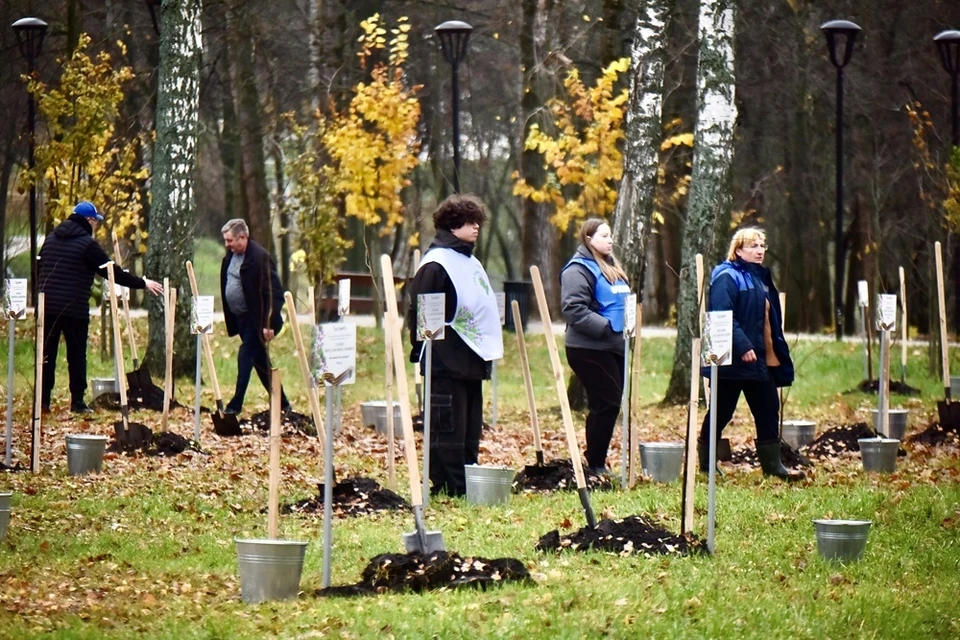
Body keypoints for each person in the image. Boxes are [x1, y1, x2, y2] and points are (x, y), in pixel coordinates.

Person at [407, 194, 503, 497]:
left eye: (478, 222)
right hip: (445, 360)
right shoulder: (436, 264)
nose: (476, 228)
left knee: (470, 425)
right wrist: (421, 348)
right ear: (452, 224)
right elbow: (421, 313)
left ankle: (468, 476)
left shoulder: (469, 261)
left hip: (471, 359)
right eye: (470, 222)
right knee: (448, 424)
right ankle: (450, 484)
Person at [37, 201, 164, 413]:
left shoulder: (50, 238)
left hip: (47, 306)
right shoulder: (87, 245)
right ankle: (77, 402)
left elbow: (39, 265)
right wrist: (142, 283)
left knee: (46, 354)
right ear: (88, 220)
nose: (96, 226)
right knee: (76, 356)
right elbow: (112, 272)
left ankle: (42, 402)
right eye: (95, 222)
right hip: (74, 308)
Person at [699, 227, 803, 481]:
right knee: (722, 412)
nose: (759, 251)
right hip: (731, 361)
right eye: (753, 246)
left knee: (768, 408)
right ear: (738, 250)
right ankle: (706, 465)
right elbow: (722, 316)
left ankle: (773, 467)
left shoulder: (760, 279)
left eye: (762, 246)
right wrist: (743, 346)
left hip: (760, 361)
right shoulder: (727, 276)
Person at [560, 218, 631, 475]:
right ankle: (596, 464)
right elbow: (573, 309)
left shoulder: (610, 266)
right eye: (603, 235)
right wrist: (605, 327)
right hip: (588, 348)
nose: (610, 240)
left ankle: (597, 460)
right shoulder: (577, 270)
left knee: (610, 403)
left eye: (610, 235)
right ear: (589, 239)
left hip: (614, 347)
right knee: (607, 401)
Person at [219, 219, 290, 415]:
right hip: (241, 319)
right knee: (260, 363)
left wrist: (269, 323)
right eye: (226, 241)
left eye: (230, 240)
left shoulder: (260, 258)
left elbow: (275, 294)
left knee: (245, 356)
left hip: (257, 320)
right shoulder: (230, 257)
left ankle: (234, 406)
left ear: (243, 237)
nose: (227, 245)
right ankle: (283, 404)